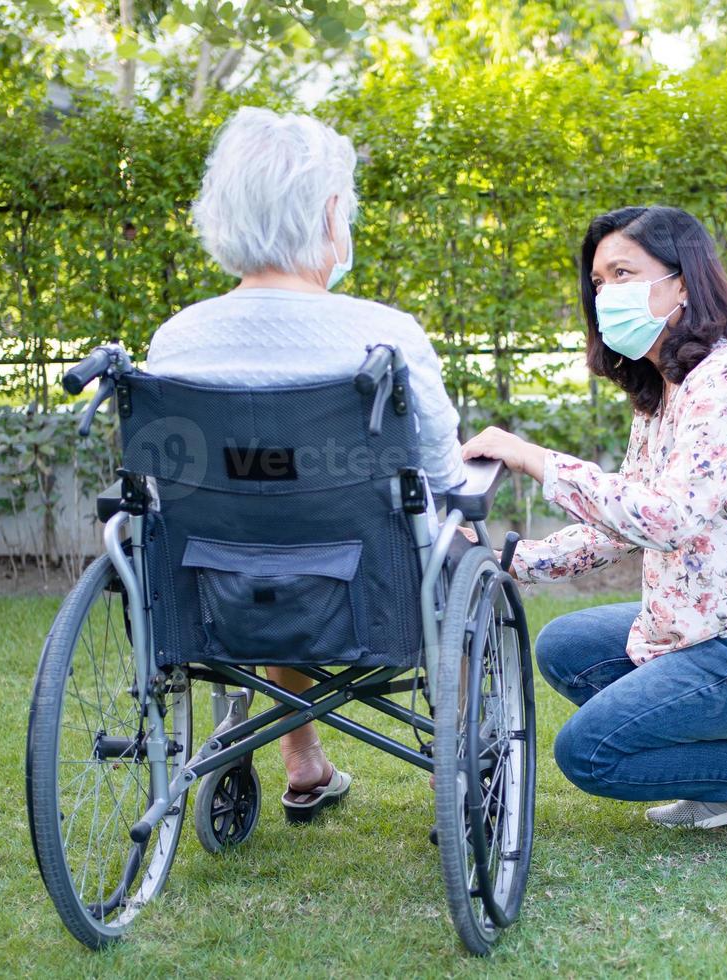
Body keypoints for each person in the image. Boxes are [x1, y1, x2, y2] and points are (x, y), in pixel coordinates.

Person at [461, 205, 727, 859]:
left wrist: (533, 457)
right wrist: (514, 559)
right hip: (717, 622)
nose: (605, 296)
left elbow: (667, 517)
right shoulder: (666, 388)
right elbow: (624, 522)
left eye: (623, 273)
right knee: (567, 646)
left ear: (682, 283)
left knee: (588, 752)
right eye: (597, 283)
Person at [146, 107, 467, 821]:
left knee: (263, 530)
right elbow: (444, 472)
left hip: (218, 591)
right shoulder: (383, 335)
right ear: (329, 214)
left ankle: (302, 758)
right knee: (455, 544)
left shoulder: (175, 342)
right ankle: (458, 759)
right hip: (375, 597)